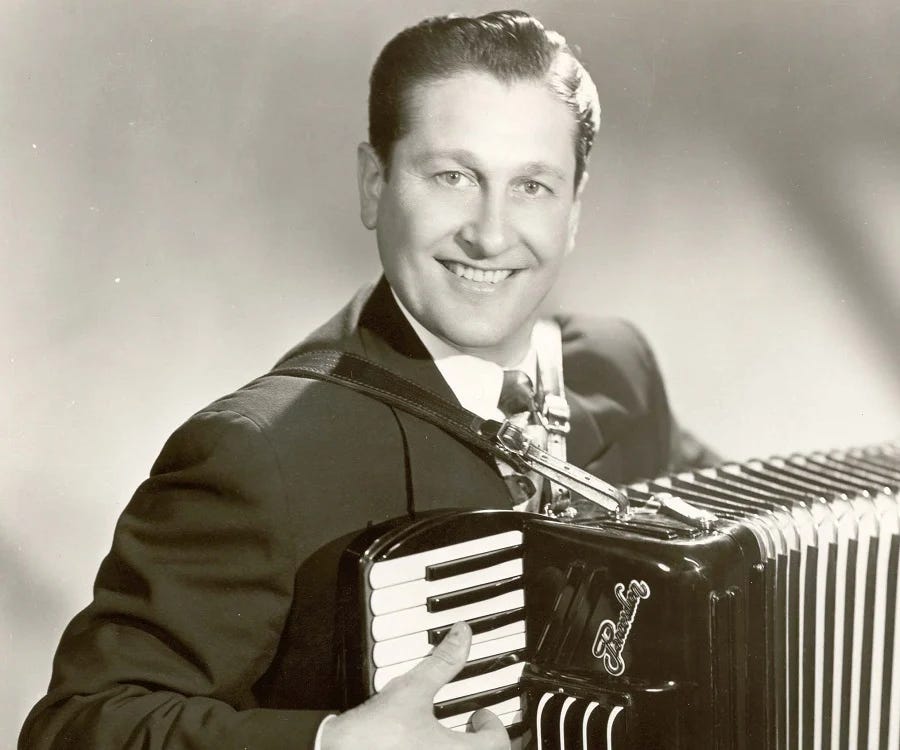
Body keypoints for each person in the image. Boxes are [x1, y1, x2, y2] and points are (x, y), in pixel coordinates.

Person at [19, 10, 716, 750]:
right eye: (453, 176)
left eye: (533, 187)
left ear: (575, 208)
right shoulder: (258, 455)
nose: (491, 232)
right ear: (374, 184)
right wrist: (332, 745)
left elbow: (726, 535)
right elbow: (77, 726)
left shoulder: (617, 370)